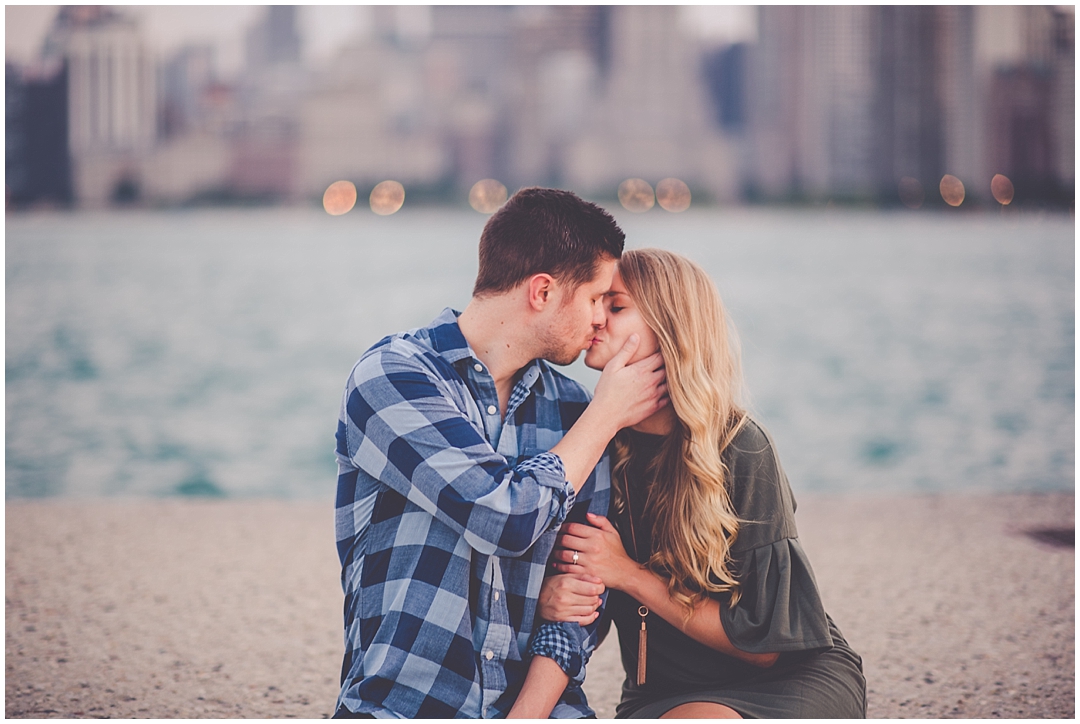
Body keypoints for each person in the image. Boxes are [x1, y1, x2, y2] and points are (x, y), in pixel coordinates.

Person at [332, 188, 667, 718]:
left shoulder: (576, 409)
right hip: (408, 706)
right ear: (542, 292)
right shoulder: (393, 377)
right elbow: (499, 516)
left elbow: (582, 603)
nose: (602, 319)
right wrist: (606, 418)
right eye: (595, 298)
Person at [542, 248, 867, 718]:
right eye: (596, 303)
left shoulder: (740, 446)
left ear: (669, 329)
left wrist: (628, 574)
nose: (596, 319)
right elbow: (571, 591)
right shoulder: (589, 444)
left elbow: (764, 646)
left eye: (616, 307)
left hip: (786, 679)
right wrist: (550, 598)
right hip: (663, 692)